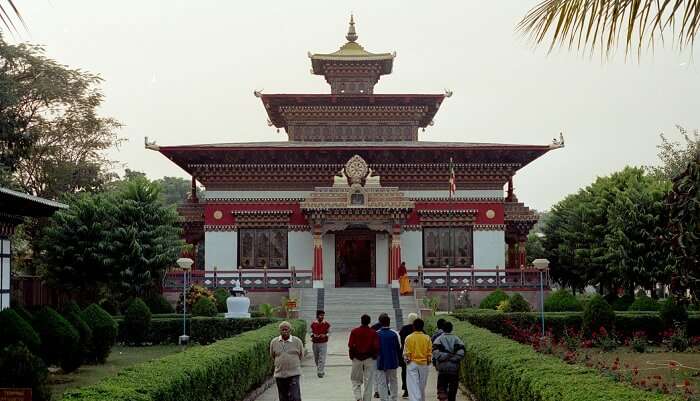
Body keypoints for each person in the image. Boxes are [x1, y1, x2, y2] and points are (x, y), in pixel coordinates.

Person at [270, 321, 304, 401]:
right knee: (283, 398)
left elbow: (301, 355)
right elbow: (272, 355)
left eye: (286, 329)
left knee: (295, 397)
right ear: (279, 331)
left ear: (290, 330)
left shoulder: (297, 341)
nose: (284, 331)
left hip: (293, 374)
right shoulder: (274, 342)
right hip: (280, 374)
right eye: (282, 330)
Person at [349, 314, 380, 401]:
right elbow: (376, 346)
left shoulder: (354, 331)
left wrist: (352, 356)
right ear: (369, 322)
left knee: (355, 379)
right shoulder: (373, 332)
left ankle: (358, 397)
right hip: (369, 358)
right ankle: (367, 399)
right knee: (369, 381)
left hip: (357, 358)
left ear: (361, 321)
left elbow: (351, 345)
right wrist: (374, 356)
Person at [432, 321, 465, 401]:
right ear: (452, 329)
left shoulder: (438, 339)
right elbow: (461, 352)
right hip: (454, 368)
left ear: (443, 329)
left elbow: (435, 352)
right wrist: (453, 358)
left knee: (442, 387)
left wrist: (445, 357)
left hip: (442, 368)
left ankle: (444, 397)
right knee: (453, 388)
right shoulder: (457, 339)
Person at [403, 318, 432, 401]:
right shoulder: (427, 338)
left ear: (413, 327)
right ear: (422, 327)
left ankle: (416, 399)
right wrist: (428, 361)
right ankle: (421, 398)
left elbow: (406, 353)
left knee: (413, 385)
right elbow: (429, 352)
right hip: (424, 364)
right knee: (422, 385)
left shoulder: (409, 338)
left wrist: (407, 361)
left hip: (412, 363)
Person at [375, 313, 401, 401]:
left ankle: (384, 398)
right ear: (389, 322)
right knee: (393, 380)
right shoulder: (395, 334)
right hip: (393, 360)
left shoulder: (376, 334)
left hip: (380, 361)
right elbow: (398, 347)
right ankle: (394, 398)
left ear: (380, 323)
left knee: (382, 382)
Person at [398, 312, 417, 398]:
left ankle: (406, 390)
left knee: (405, 372)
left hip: (406, 353)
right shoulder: (418, 329)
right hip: (416, 354)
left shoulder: (404, 329)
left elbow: (402, 341)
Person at [310, 309, 331, 378]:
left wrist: (325, 335)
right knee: (316, 358)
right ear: (317, 316)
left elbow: (329, 332)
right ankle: (319, 368)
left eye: (323, 315)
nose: (322, 317)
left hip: (323, 343)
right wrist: (313, 335)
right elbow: (310, 332)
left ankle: (320, 372)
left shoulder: (327, 324)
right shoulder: (313, 324)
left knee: (322, 357)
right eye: (320, 315)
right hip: (315, 343)